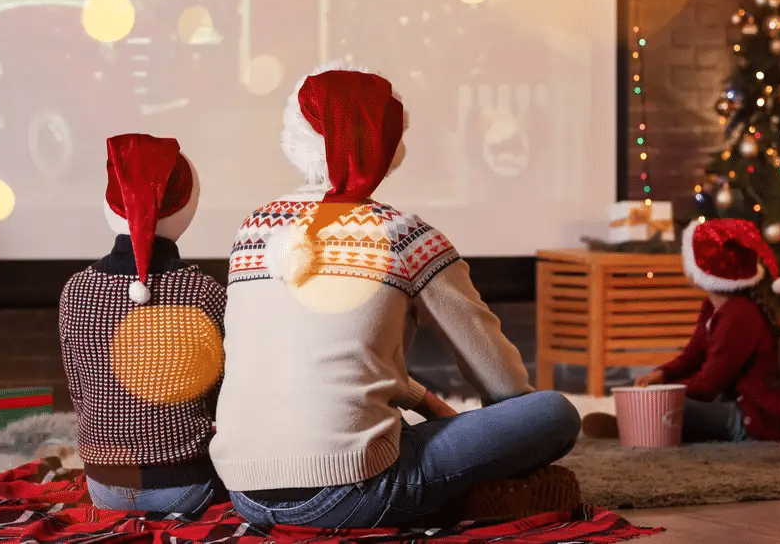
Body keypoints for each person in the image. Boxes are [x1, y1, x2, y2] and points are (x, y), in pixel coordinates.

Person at [210, 62, 581, 529]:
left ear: (294, 140)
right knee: (552, 413)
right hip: (354, 494)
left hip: (244, 491)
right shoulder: (405, 235)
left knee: (386, 429)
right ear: (389, 146)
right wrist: (510, 430)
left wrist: (423, 398)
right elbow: (502, 384)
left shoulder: (252, 229)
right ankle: (462, 494)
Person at [60, 134, 226, 513]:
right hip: (187, 486)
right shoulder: (205, 293)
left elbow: (79, 393)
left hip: (104, 485)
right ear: (187, 209)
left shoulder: (76, 290)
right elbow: (223, 400)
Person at [584, 218, 780, 443]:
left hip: (755, 419)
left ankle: (638, 424)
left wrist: (662, 393)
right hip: (732, 400)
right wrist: (663, 374)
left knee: (672, 405)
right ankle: (640, 423)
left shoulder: (740, 314)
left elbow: (709, 383)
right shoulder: (712, 306)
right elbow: (693, 355)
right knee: (670, 402)